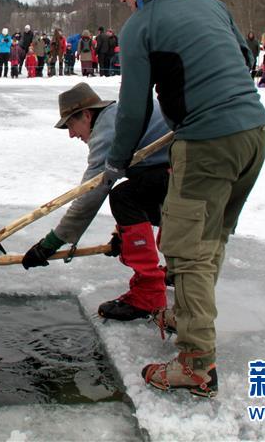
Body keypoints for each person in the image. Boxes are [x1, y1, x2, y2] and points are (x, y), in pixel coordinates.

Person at [107, 0, 265, 397]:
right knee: (212, 231)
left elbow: (133, 107)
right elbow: (246, 56)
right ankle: (189, 317)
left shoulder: (141, 24)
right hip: (254, 130)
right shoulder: (212, 4)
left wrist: (117, 162)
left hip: (208, 142)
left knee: (187, 247)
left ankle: (197, 363)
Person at [22, 83, 170, 320]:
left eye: (71, 125)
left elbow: (90, 194)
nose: (71, 134)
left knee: (124, 197)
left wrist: (50, 243)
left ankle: (149, 294)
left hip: (189, 170)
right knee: (139, 187)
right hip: (188, 166)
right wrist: (123, 236)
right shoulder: (115, 116)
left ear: (87, 115)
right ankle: (174, 269)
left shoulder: (107, 133)